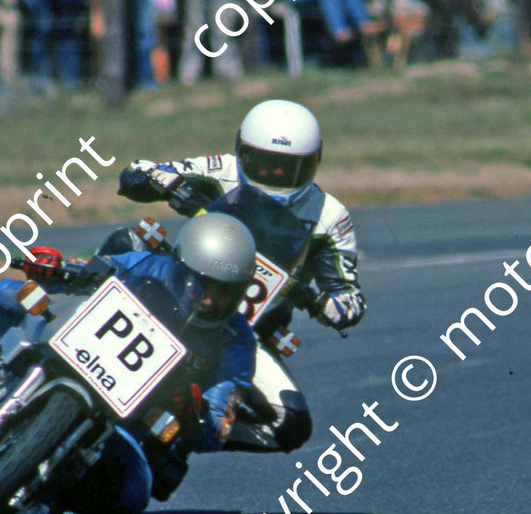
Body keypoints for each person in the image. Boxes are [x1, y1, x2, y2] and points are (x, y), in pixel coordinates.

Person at [0, 212, 258, 514]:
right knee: (9, 292)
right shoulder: (145, 264)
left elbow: (217, 425)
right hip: (75, 361)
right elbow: (88, 268)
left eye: (227, 291)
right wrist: (54, 267)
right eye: (203, 284)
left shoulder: (237, 342)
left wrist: (191, 411)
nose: (213, 300)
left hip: (126, 428)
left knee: (132, 497)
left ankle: (37, 497)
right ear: (179, 265)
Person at [116, 99, 365, 453]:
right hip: (174, 292)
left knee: (291, 423)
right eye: (265, 164)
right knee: (127, 242)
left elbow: (350, 299)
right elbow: (136, 174)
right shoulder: (221, 170)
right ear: (242, 152)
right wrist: (161, 180)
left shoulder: (330, 216)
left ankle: (190, 431)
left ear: (314, 163)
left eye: (289, 168)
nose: (276, 176)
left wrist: (324, 303)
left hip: (243, 331)